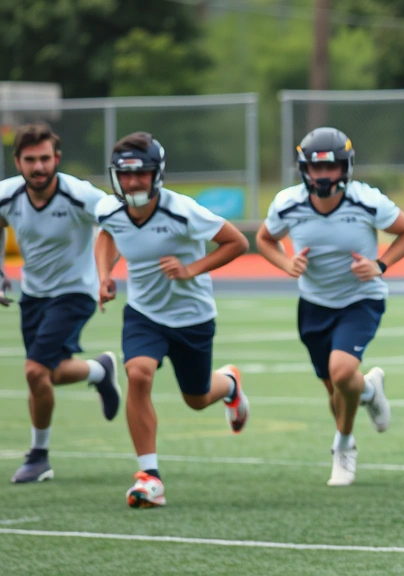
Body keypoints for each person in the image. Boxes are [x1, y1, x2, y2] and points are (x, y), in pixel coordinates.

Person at [94, 132, 251, 507]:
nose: (133, 182)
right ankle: (149, 476)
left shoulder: (183, 210)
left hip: (192, 317)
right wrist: (104, 274)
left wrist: (191, 269)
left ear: (157, 174)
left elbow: (238, 243)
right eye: (126, 175)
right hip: (144, 314)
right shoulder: (108, 209)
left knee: (196, 398)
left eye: (141, 174)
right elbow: (106, 235)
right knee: (138, 372)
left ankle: (228, 385)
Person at [256, 127, 404, 487]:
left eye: (332, 167)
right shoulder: (287, 203)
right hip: (313, 304)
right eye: (317, 169)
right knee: (336, 391)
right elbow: (265, 239)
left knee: (342, 372)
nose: (324, 175)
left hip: (361, 299)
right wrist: (285, 264)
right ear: (304, 170)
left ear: (346, 168)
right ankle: (371, 391)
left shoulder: (367, 201)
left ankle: (343, 446)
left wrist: (380, 265)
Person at [0, 123, 121, 484]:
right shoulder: (7, 195)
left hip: (75, 292)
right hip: (34, 295)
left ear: (57, 159)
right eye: (30, 160)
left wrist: (104, 275)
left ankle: (39, 456)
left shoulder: (80, 194)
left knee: (35, 371)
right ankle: (100, 371)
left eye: (45, 159)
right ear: (17, 162)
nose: (38, 167)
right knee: (48, 374)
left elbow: (113, 223)